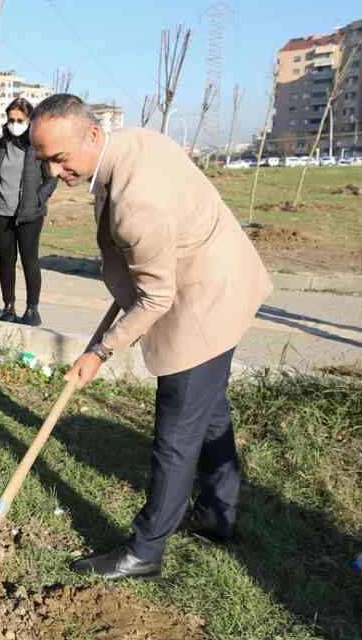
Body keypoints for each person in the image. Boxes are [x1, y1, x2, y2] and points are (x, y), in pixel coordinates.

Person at [30, 95, 272, 581]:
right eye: (46, 161)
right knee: (210, 413)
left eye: (61, 158)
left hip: (204, 298)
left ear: (92, 136)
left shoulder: (137, 202)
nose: (55, 172)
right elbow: (142, 277)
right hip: (215, 275)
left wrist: (100, 350)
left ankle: (145, 549)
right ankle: (218, 514)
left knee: (177, 431)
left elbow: (156, 299)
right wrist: (98, 344)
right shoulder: (131, 145)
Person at [0, 96, 54, 325]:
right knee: (6, 260)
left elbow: (51, 179)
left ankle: (32, 309)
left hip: (29, 215)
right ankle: (8, 306)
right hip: (2, 213)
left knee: (29, 260)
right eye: (11, 119)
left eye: (19, 119)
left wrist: (37, 200)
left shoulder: (38, 147)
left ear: (29, 120)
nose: (14, 123)